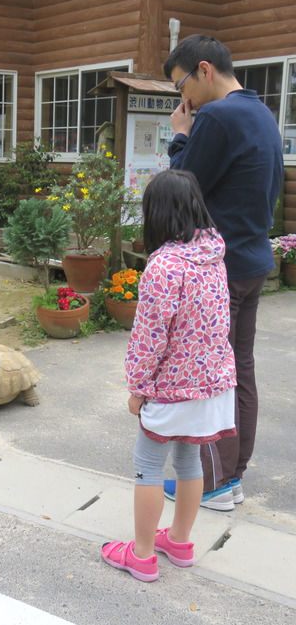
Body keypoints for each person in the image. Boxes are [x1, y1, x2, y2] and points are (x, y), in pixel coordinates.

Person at [162, 34, 284, 511]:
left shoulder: (216, 116)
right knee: (240, 372)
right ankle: (231, 477)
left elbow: (182, 190)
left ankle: (211, 484)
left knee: (211, 376)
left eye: (182, 87)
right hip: (253, 259)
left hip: (218, 269)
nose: (183, 100)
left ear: (204, 70)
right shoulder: (261, 112)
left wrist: (179, 136)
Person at [101, 169, 236, 582]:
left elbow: (149, 338)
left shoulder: (164, 266)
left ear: (155, 214)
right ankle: (178, 541)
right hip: (212, 385)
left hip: (171, 388)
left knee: (147, 467)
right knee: (189, 460)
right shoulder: (214, 256)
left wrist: (137, 390)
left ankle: (141, 555)